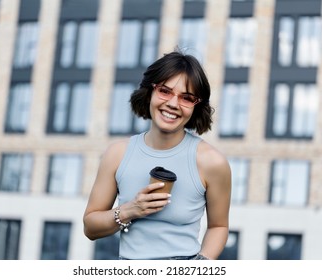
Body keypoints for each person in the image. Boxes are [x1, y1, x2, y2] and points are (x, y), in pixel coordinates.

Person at [83, 50, 231, 260]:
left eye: (187, 98)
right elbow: (90, 227)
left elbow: (219, 226)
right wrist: (129, 210)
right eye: (165, 91)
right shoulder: (117, 154)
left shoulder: (212, 162)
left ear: (196, 107)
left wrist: (200, 266)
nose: (172, 103)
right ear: (149, 92)